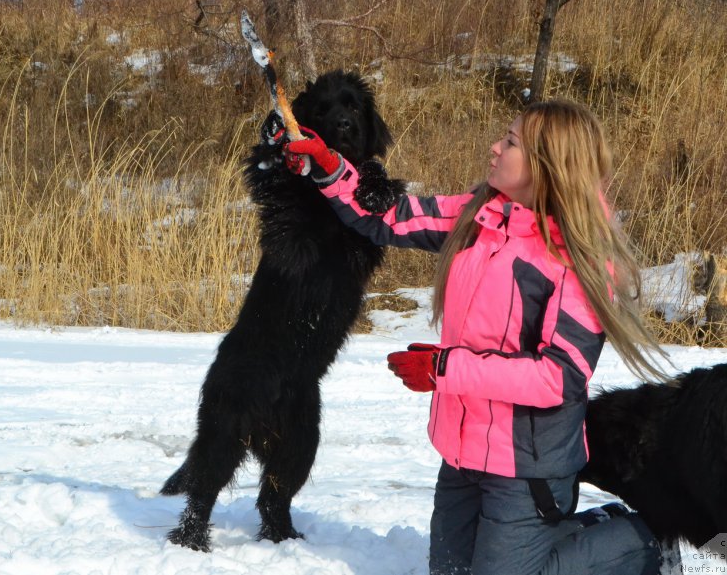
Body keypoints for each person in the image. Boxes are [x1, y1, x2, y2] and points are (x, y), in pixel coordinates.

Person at [268, 99, 672, 575]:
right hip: (463, 451)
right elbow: (390, 217)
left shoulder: (579, 257)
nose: (495, 148)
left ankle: (666, 541)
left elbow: (559, 378)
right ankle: (564, 535)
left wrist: (445, 368)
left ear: (549, 166)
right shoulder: (480, 215)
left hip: (527, 467)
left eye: (511, 142)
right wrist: (329, 168)